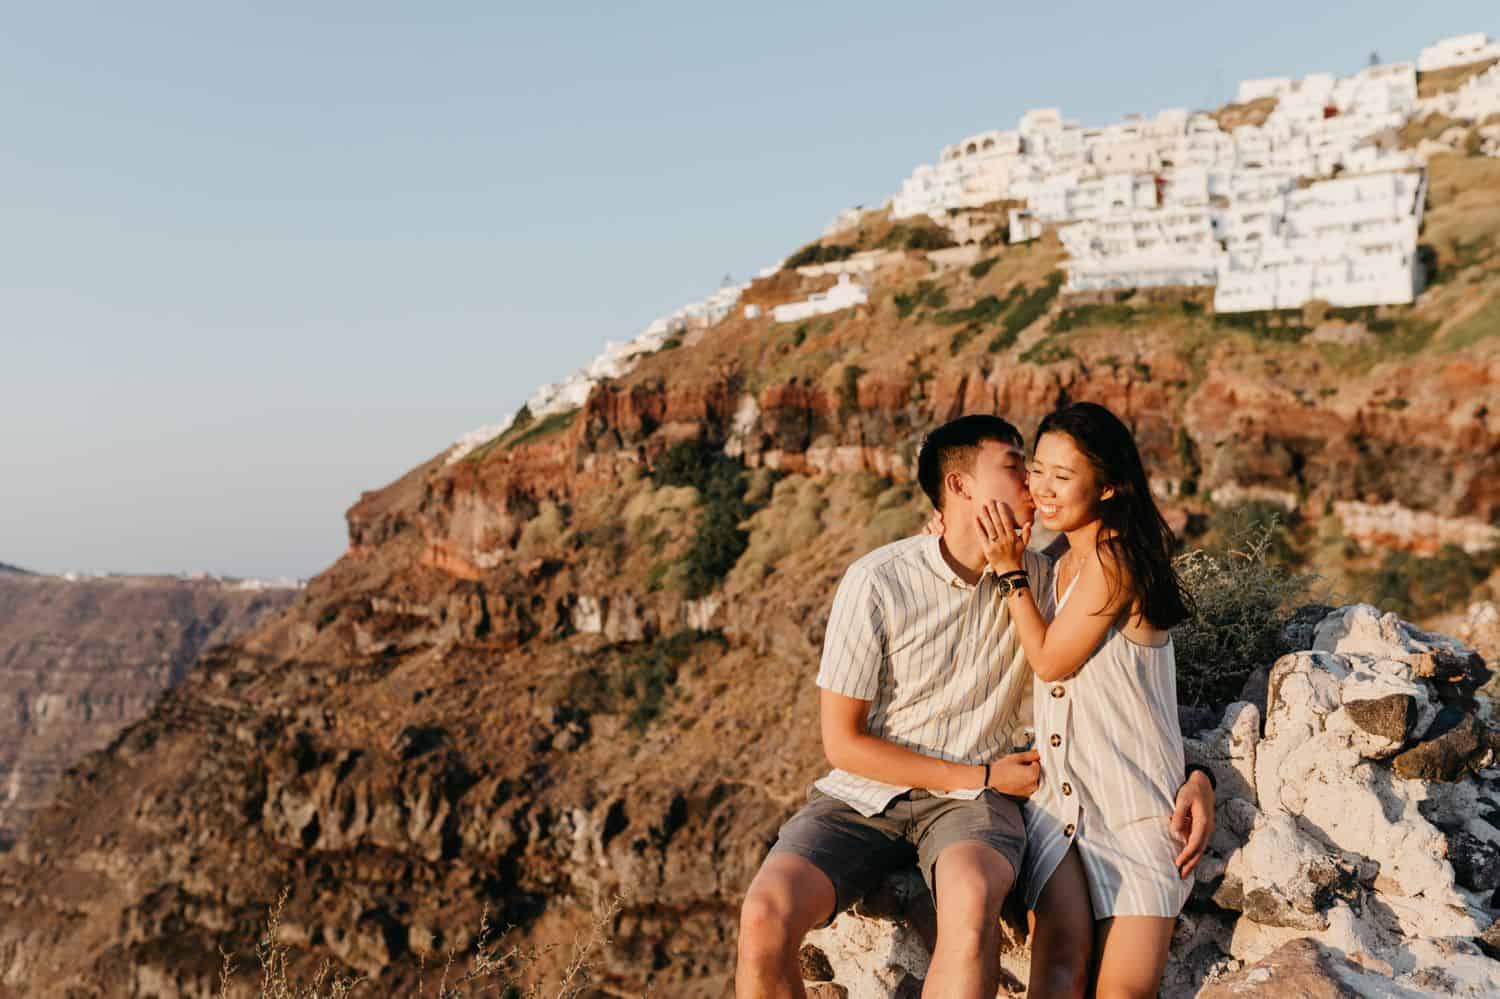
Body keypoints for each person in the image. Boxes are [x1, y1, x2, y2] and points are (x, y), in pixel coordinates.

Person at [735, 414, 1214, 999]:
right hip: (874, 794)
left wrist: (1199, 772)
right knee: (761, 915)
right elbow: (842, 744)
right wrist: (979, 773)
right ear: (960, 488)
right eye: (1021, 469)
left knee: (974, 909)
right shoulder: (880, 580)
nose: (1035, 487)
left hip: (994, 805)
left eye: (1047, 473)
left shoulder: (1040, 578)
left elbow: (1123, 686)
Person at [976, 401, 1200, 999]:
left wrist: (1011, 574)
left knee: (1124, 992)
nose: (1042, 489)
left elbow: (1049, 659)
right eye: (1037, 470)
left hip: (1135, 807)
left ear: (1109, 486)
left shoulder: (1115, 558)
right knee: (1054, 977)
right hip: (1061, 803)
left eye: (1062, 476)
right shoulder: (1058, 562)